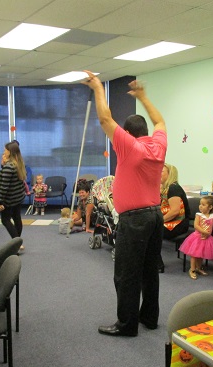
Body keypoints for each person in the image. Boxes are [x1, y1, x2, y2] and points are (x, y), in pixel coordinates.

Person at [83, 71, 167, 337]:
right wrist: (143, 97)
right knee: (149, 271)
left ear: (128, 133)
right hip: (155, 217)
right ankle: (149, 317)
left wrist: (97, 86)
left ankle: (127, 324)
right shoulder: (158, 145)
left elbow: (105, 118)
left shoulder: (130, 147)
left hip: (135, 220)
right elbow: (160, 120)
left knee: (126, 275)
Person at [179, 195, 213, 280]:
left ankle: (198, 268)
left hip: (207, 239)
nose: (200, 206)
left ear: (210, 207)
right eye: (200, 204)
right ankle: (192, 269)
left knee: (201, 255)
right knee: (194, 255)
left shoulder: (212, 215)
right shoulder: (199, 215)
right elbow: (196, 225)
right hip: (197, 237)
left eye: (203, 205)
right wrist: (204, 232)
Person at [158, 163, 190, 273]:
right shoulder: (166, 188)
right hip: (172, 221)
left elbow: (175, 211)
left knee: (151, 232)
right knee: (149, 229)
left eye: (161, 171)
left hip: (179, 224)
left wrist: (158, 222)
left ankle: (158, 264)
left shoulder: (173, 188)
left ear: (169, 174)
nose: (158, 173)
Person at [0, 141, 26, 246]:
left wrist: (0, 201)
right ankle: (17, 241)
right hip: (18, 198)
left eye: (5, 150)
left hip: (9, 199)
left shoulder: (9, 166)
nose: (3, 152)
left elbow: (4, 186)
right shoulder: (18, 164)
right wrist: (2, 165)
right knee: (17, 218)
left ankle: (16, 242)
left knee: (5, 220)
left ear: (10, 152)